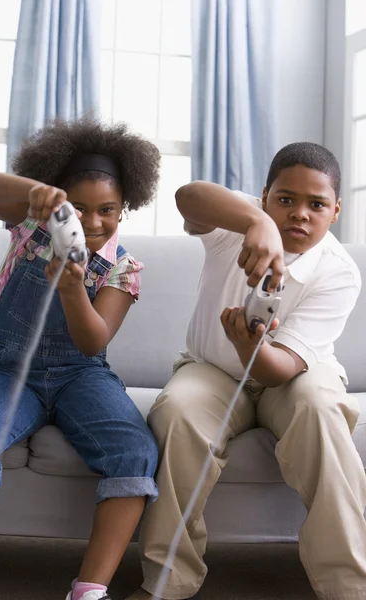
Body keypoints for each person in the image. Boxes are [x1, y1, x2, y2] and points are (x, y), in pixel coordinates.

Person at [127, 142, 366, 600]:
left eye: (316, 204)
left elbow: (282, 371)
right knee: (178, 411)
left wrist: (251, 345)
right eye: (284, 200)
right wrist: (255, 222)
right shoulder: (236, 225)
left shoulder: (339, 272)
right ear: (264, 196)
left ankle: (348, 587)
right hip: (214, 370)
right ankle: (168, 580)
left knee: (321, 409)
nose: (299, 214)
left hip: (292, 376)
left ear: (335, 210)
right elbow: (187, 196)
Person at [0, 116, 161, 600]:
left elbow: (94, 342)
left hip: (82, 374)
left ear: (126, 208)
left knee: (135, 450)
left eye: (108, 210)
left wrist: (74, 289)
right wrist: (40, 194)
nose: (92, 223)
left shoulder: (122, 267)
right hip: (10, 370)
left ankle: (90, 588)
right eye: (79, 208)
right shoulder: (30, 228)